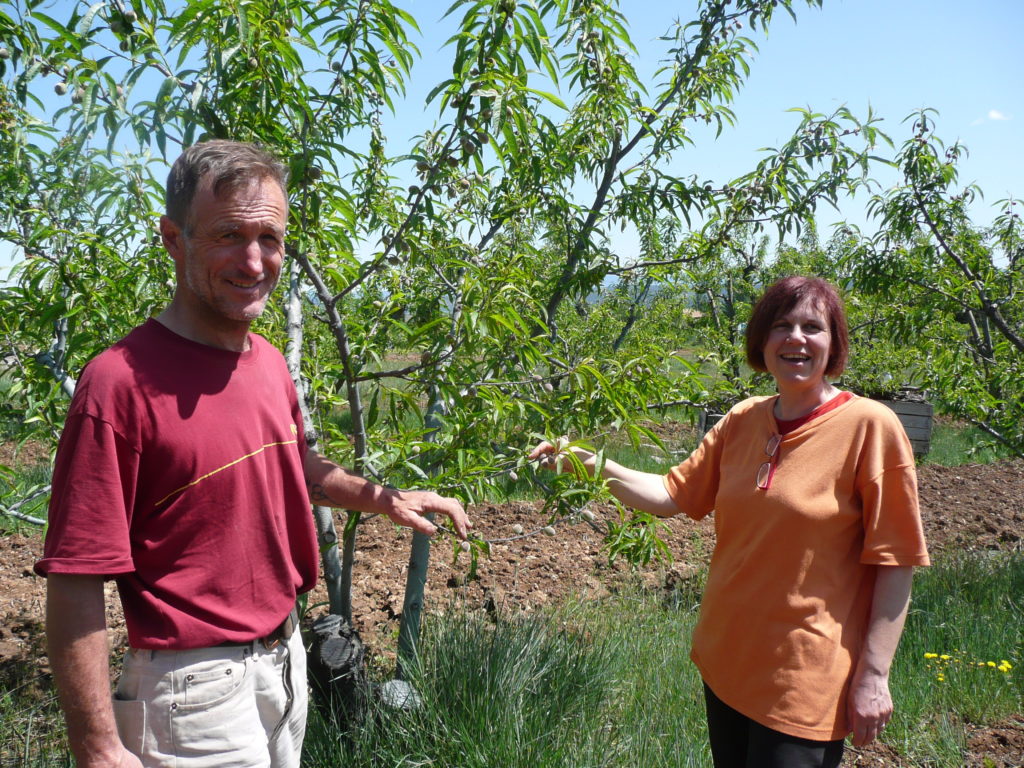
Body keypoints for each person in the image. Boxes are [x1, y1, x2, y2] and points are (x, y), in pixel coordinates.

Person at [35, 139, 471, 768]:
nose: (254, 259)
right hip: (192, 692)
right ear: (173, 240)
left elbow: (293, 469)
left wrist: (384, 498)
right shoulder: (118, 385)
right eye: (227, 236)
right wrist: (97, 745)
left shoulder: (266, 362)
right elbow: (76, 574)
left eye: (270, 238)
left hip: (285, 661)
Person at [529, 276, 929, 768]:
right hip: (727, 662)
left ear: (834, 343)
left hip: (802, 677)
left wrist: (873, 675)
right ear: (762, 340)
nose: (796, 338)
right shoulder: (742, 419)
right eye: (781, 325)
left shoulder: (871, 428)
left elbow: (897, 558)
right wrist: (587, 463)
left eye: (812, 326)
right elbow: (670, 493)